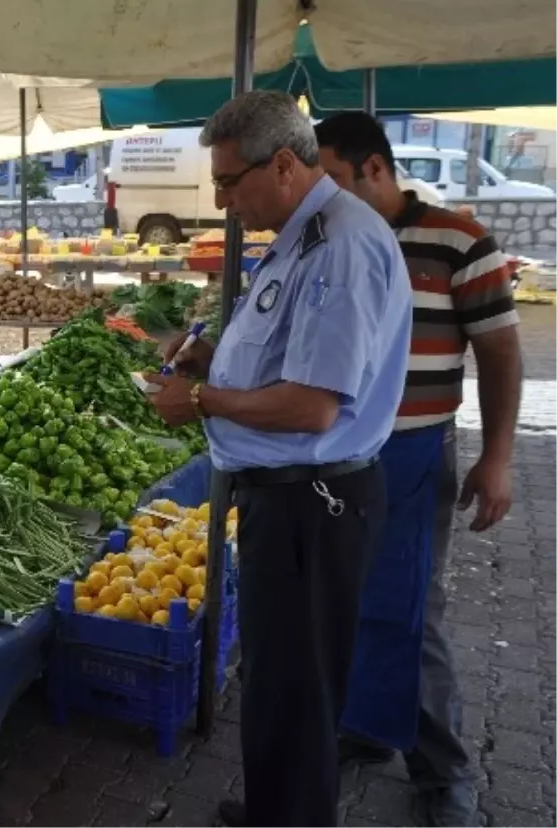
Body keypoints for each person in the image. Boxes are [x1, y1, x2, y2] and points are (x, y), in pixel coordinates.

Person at [145, 91, 413, 828]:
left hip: (312, 505)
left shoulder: (339, 246)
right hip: (288, 500)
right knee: (275, 680)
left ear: (286, 164)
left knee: (298, 689)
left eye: (230, 182)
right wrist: (210, 360)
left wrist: (201, 402)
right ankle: (274, 810)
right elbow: (284, 354)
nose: (220, 199)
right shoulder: (299, 235)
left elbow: (312, 405)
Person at [315, 112, 522, 828]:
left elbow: (499, 353)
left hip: (413, 451)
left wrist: (497, 459)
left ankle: (443, 772)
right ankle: (367, 729)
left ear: (375, 169)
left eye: (335, 179)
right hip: (337, 455)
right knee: (351, 602)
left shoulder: (456, 239)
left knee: (411, 612)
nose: (326, 195)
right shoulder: (327, 237)